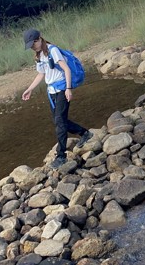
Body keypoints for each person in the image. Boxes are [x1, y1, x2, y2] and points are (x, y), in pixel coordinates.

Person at [21, 28, 92, 168]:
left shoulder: (53, 50)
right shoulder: (39, 55)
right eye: (30, 46)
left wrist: (68, 89)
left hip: (62, 89)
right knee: (59, 120)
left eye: (33, 44)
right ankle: (84, 133)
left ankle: (61, 156)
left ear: (39, 39)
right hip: (52, 91)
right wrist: (29, 89)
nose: (33, 47)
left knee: (60, 121)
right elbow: (41, 74)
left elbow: (66, 69)